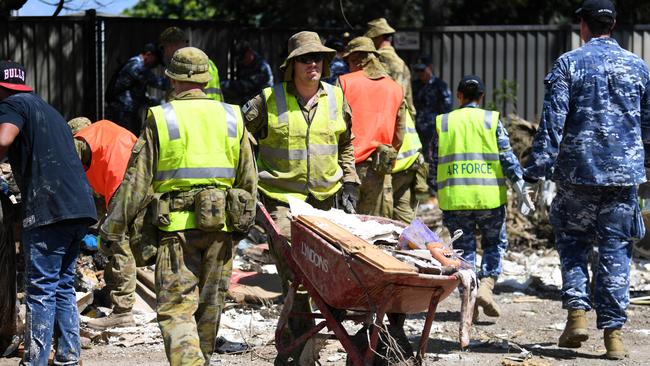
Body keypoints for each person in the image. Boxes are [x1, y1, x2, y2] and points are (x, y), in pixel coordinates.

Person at [100, 47, 257, 365]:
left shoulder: (161, 117)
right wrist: (240, 228)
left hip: (176, 229)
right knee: (208, 312)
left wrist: (113, 226)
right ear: (205, 77)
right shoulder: (232, 116)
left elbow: (136, 182)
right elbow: (248, 180)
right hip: (222, 228)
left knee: (176, 311)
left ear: (172, 79)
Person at [523, 0, 650, 359]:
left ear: (583, 25)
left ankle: (577, 314)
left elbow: (552, 122)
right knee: (616, 252)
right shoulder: (638, 67)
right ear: (613, 25)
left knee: (574, 243)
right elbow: (649, 127)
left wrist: (538, 168)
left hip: (578, 174)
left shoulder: (569, 64)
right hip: (623, 178)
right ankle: (614, 337)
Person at [241, 31, 359, 365]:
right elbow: (241, 141)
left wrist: (350, 181)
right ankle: (296, 345)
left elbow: (347, 142)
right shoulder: (268, 100)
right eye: (306, 59)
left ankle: (309, 338)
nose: (314, 64)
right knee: (296, 274)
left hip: (325, 199)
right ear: (292, 65)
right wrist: (248, 185)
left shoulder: (336, 98)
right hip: (281, 199)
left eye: (319, 58)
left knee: (324, 273)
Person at [0, 60, 97, 365]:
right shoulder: (48, 109)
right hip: (79, 207)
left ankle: (35, 361)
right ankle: (69, 357)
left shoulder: (12, 105)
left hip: (49, 210)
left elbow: (3, 139)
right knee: (63, 286)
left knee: (40, 287)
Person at [432, 75, 532, 322]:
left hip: (455, 199)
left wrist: (434, 189)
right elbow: (507, 158)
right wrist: (520, 186)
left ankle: (470, 302)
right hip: (489, 198)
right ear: (482, 97)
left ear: (459, 96)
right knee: (493, 244)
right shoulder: (491, 120)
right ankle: (487, 286)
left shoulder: (444, 122)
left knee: (463, 252)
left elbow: (433, 162)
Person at [67, 117, 139, 330]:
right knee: (123, 243)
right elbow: (98, 195)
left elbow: (70, 173)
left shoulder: (82, 139)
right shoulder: (109, 133)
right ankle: (111, 294)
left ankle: (122, 311)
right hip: (141, 185)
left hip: (122, 187)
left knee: (120, 245)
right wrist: (96, 228)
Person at [339, 36, 407, 218]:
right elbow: (400, 135)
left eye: (349, 62)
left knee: (343, 231)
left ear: (355, 60)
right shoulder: (395, 88)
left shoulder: (344, 83)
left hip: (346, 171)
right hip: (378, 171)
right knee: (376, 232)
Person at [105, 43, 167, 136]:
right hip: (123, 113)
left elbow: (138, 94)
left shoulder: (135, 64)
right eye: (156, 60)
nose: (156, 64)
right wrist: (175, 80)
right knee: (127, 142)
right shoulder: (137, 66)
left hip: (126, 112)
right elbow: (160, 83)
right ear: (148, 54)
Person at [365, 17, 415, 115]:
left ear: (378, 37)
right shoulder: (402, 64)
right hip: (402, 118)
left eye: (371, 38)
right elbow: (408, 100)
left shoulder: (376, 60)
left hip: (386, 117)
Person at [159, 26, 223, 102]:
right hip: (216, 109)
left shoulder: (182, 66)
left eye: (164, 47)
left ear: (171, 45)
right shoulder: (207, 63)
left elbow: (176, 99)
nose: (165, 53)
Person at [412, 56, 452, 168]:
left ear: (430, 68)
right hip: (416, 130)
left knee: (432, 160)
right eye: (417, 71)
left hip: (433, 130)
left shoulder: (440, 86)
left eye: (422, 70)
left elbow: (447, 108)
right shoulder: (414, 86)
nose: (419, 74)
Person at [221, 41, 274, 105]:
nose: (242, 61)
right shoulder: (244, 65)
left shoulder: (262, 67)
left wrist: (227, 85)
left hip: (262, 103)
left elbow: (246, 85)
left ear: (249, 52)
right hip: (248, 102)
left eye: (242, 58)